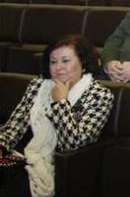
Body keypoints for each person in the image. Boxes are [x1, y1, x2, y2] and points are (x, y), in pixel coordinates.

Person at [0, 36, 114, 197]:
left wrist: (60, 102)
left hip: (51, 164)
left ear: (83, 63)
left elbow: (72, 144)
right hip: (17, 156)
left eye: (65, 61)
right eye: (53, 62)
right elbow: (12, 128)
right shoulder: (37, 85)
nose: (58, 67)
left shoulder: (99, 95)